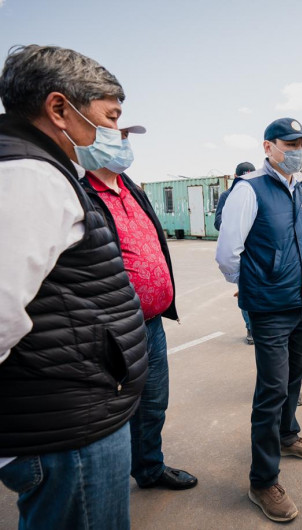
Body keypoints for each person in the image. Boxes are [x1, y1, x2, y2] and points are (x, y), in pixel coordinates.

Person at [0, 44, 148, 529]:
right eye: (110, 117)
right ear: (60, 109)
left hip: (69, 416)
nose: (115, 132)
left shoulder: (44, 169)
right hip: (65, 429)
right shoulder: (29, 178)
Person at [216, 117, 302, 523]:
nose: (298, 152)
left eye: (301, 145)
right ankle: (262, 481)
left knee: (295, 376)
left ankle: (287, 435)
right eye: (290, 144)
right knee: (272, 389)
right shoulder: (250, 189)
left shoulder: (301, 187)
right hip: (271, 308)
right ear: (268, 147)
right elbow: (228, 252)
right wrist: (253, 284)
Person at [84, 130, 198, 491]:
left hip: (151, 324)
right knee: (111, 409)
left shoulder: (131, 188)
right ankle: (104, 485)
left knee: (153, 402)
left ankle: (149, 468)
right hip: (111, 330)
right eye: (113, 134)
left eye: (125, 136)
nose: (123, 144)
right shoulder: (78, 193)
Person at [215, 161, 256, 345]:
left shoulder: (257, 193)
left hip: (257, 251)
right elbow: (218, 221)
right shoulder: (227, 195)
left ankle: (260, 325)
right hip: (240, 252)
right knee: (245, 291)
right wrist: (235, 225)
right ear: (235, 177)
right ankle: (250, 327)